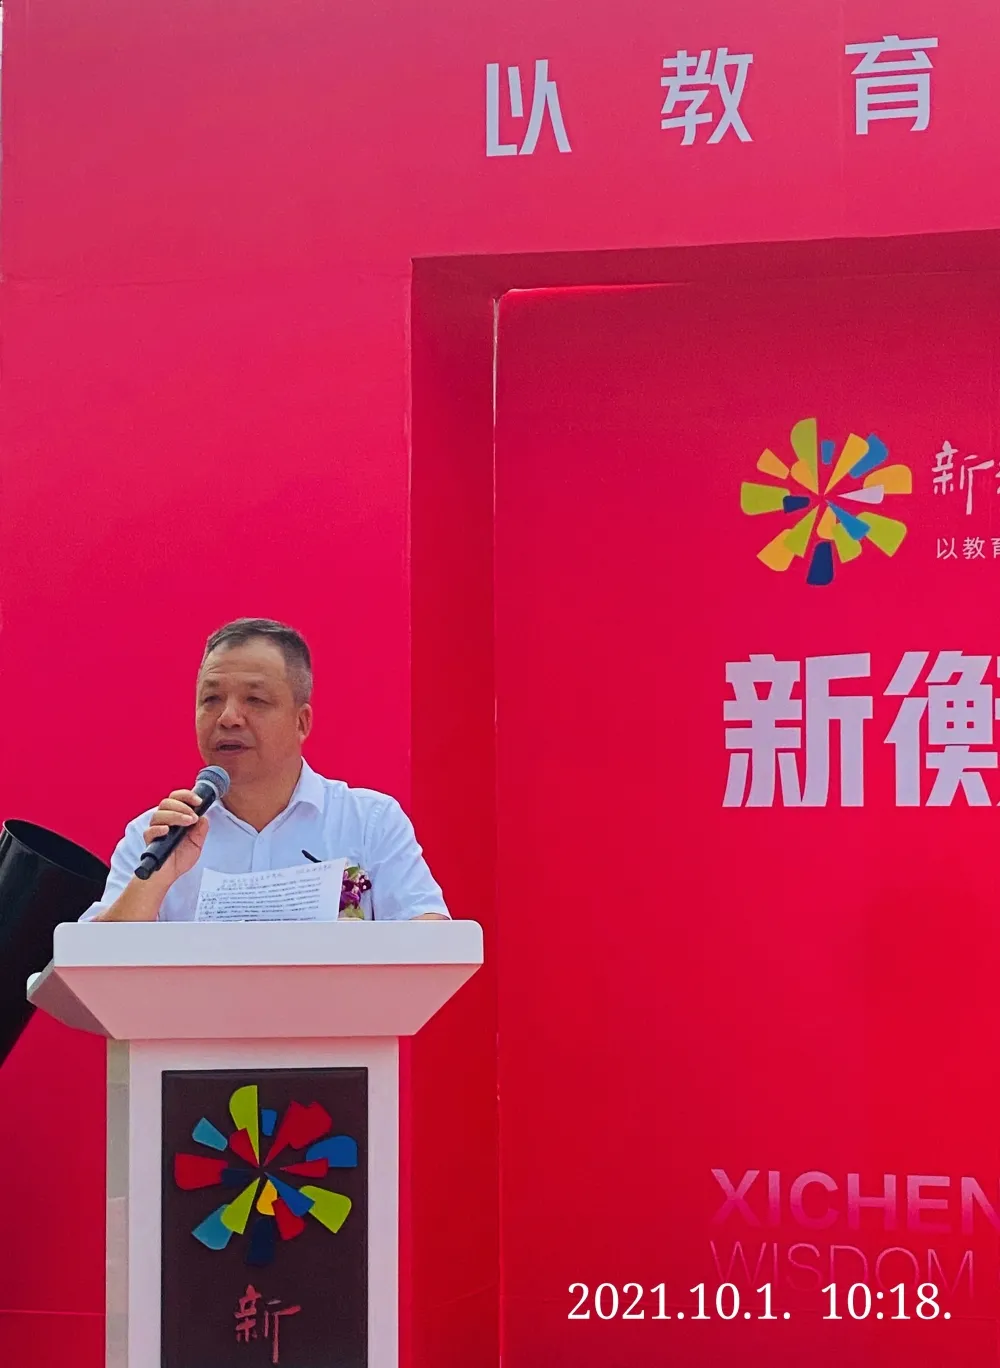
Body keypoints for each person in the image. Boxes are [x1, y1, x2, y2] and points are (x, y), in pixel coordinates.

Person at [82, 618, 449, 923]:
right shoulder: (156, 837)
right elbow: (94, 967)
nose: (228, 718)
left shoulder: (369, 822)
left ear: (301, 722)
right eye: (211, 699)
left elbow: (432, 942)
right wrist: (154, 881)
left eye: (255, 700)